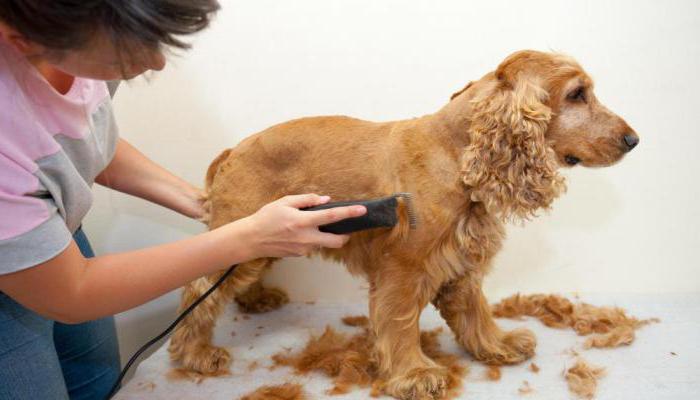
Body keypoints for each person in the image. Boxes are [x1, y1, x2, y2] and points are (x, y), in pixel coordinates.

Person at [0, 1, 366, 399]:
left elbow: (75, 143)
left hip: (53, 231)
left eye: (157, 41)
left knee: (98, 384)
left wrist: (201, 202)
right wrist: (246, 238)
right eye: (127, 52)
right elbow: (72, 293)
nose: (156, 62)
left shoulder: (78, 46)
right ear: (21, 38)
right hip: (24, 274)